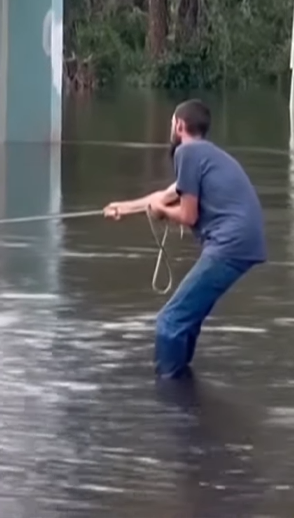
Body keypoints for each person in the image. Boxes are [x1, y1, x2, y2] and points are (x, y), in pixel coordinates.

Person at [104, 99, 266, 379]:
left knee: (171, 320)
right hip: (243, 243)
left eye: (171, 124)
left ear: (179, 126)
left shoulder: (187, 153)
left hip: (230, 244)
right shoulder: (204, 154)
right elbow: (166, 196)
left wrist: (163, 213)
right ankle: (183, 395)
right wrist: (124, 207)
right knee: (187, 319)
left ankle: (169, 388)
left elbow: (188, 215)